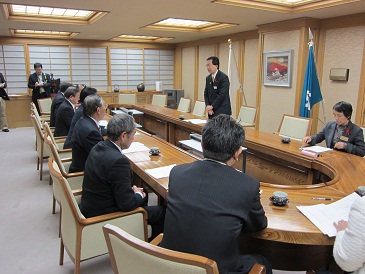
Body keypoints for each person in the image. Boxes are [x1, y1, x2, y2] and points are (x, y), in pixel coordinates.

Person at [160, 114, 271, 274]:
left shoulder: (177, 173)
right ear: (237, 153)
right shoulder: (247, 185)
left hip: (171, 264)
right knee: (263, 261)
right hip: (215, 269)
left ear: (202, 144)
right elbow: (258, 225)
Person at [80, 113, 165, 240]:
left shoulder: (99, 147)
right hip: (104, 216)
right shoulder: (118, 161)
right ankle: (152, 250)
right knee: (162, 212)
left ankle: (140, 235)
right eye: (134, 134)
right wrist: (137, 194)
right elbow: (127, 205)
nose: (134, 138)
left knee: (143, 196)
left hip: (92, 205)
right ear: (124, 136)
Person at [68, 94, 105, 173]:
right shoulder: (91, 132)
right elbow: (100, 159)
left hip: (81, 164)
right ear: (98, 110)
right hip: (84, 173)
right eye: (105, 106)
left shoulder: (83, 120)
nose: (105, 108)